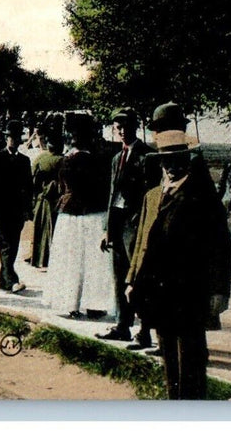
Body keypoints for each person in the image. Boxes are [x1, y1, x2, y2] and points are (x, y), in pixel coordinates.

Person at [126, 102, 231, 400]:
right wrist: (132, 280)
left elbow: (221, 247)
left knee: (191, 361)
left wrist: (219, 291)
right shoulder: (152, 196)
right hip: (159, 292)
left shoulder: (201, 198)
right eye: (166, 160)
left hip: (191, 292)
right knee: (169, 362)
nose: (172, 167)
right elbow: (141, 243)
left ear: (188, 160)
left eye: (178, 160)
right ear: (159, 161)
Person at [46, 115, 116, 318]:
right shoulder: (97, 159)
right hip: (92, 212)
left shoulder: (68, 160)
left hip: (72, 213)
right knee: (93, 262)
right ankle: (92, 304)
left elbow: (64, 186)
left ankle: (71, 303)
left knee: (72, 260)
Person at [98, 107, 156, 345]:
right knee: (119, 276)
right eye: (118, 127)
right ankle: (123, 326)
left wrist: (141, 223)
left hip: (136, 225)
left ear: (135, 127)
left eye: (126, 126)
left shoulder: (147, 156)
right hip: (118, 224)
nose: (122, 131)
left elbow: (150, 195)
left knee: (138, 278)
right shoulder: (115, 158)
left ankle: (145, 330)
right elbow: (112, 194)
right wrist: (106, 229)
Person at [0, 120, 32, 293]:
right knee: (6, 247)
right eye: (10, 137)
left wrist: (27, 210)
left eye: (16, 137)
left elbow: (29, 187)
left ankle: (3, 279)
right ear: (6, 138)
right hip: (1, 212)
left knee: (13, 246)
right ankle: (12, 281)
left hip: (17, 213)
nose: (13, 140)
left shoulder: (24, 161)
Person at [29, 130, 63, 269]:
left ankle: (37, 257)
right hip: (58, 200)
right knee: (54, 230)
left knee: (40, 229)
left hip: (41, 199)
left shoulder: (40, 158)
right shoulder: (63, 160)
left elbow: (32, 179)